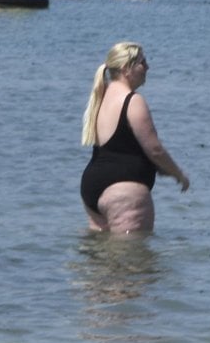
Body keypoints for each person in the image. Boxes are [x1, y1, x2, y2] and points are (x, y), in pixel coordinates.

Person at [80, 42, 189, 234]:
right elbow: (155, 149)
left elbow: (123, 145)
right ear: (125, 69)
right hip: (123, 191)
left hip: (91, 186)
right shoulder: (132, 101)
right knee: (134, 260)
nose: (147, 67)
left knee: (100, 260)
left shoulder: (101, 97)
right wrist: (178, 174)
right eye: (142, 62)